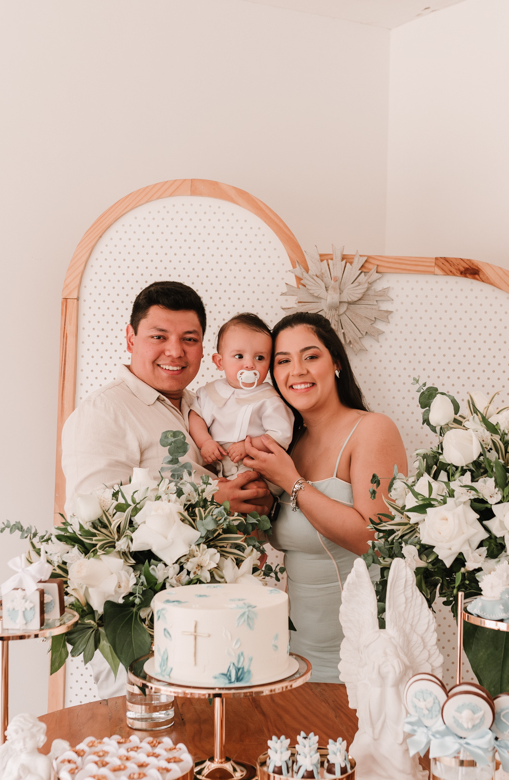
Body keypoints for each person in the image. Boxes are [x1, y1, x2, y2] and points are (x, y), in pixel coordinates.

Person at [241, 311, 407, 683]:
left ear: (335, 362)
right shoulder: (287, 445)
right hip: (292, 650)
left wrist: (293, 482)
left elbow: (375, 539)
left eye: (310, 356)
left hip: (360, 653)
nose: (296, 370)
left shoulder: (372, 429)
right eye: (283, 361)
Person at [61, 281, 272, 516]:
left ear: (203, 348)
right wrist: (208, 501)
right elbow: (89, 521)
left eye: (189, 339)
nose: (175, 352)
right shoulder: (103, 412)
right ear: (131, 339)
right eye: (159, 337)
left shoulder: (207, 403)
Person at [188, 312, 294, 483]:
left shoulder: (269, 399)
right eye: (239, 356)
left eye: (260, 358)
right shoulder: (209, 392)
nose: (250, 364)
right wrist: (205, 442)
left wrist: (248, 446)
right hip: (216, 462)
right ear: (219, 362)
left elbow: (280, 436)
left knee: (251, 491)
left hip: (252, 465)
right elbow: (195, 417)